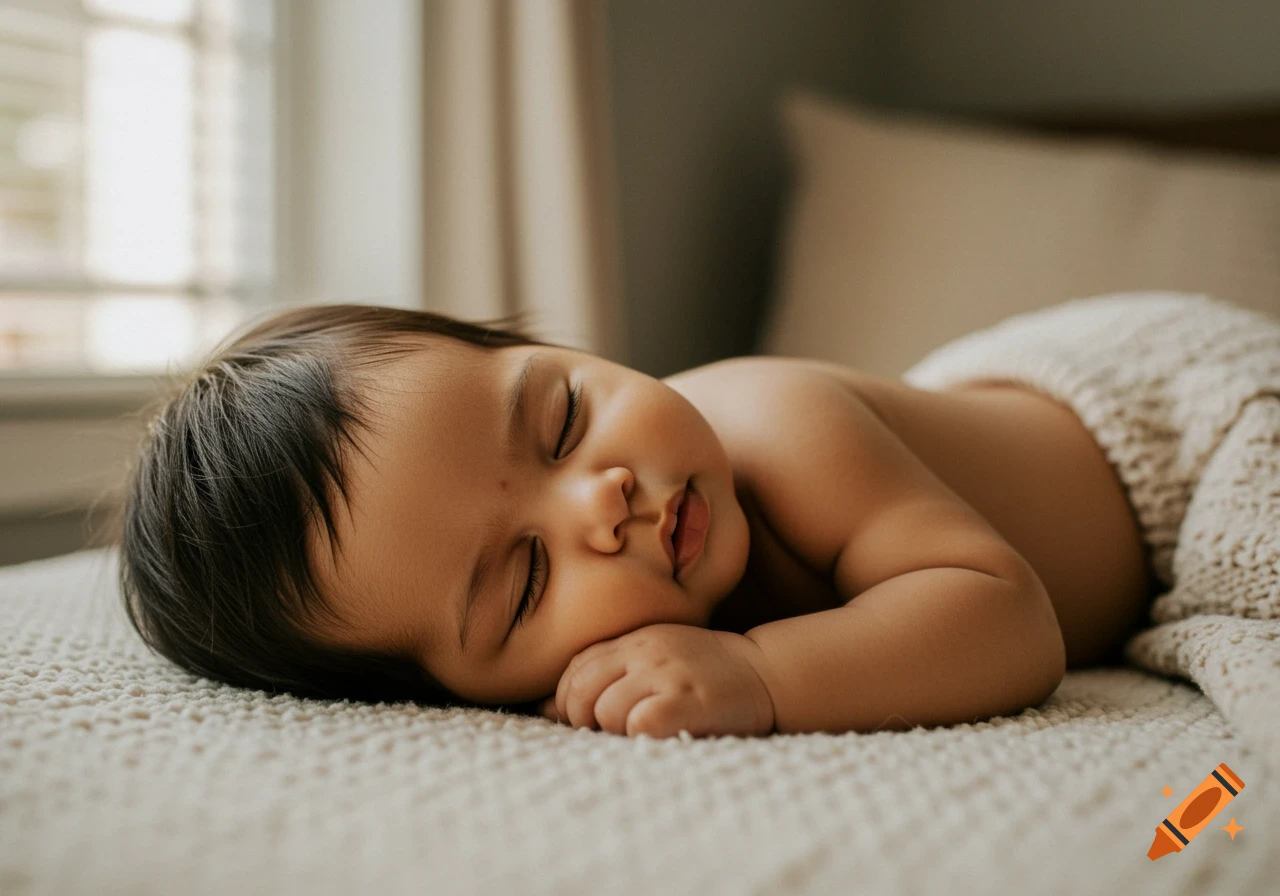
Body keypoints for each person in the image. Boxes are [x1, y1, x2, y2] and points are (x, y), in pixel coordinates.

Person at [119, 300, 1164, 738]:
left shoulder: (780, 426)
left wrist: (762, 677)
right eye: (523, 582)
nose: (600, 497)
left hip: (1152, 428)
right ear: (463, 696)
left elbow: (1009, 619)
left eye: (563, 414)